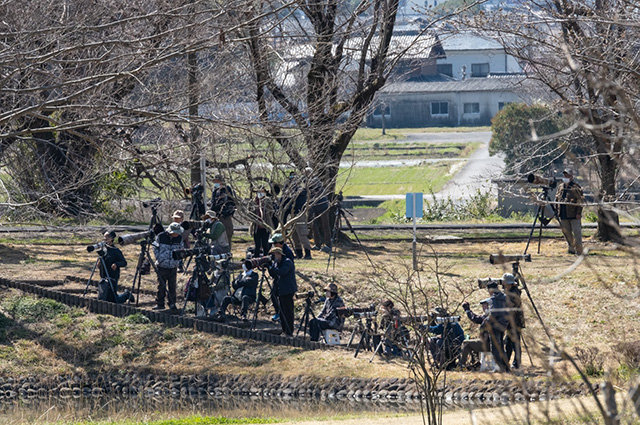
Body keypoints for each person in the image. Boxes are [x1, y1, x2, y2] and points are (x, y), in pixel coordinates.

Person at [463, 281, 510, 372]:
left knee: (495, 349)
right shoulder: (504, 297)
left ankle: (499, 368)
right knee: (501, 348)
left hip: (494, 327)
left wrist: (484, 325)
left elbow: (492, 314)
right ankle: (506, 368)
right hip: (503, 325)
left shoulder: (494, 299)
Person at [262, 232, 294, 322]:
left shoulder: (287, 253)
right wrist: (269, 267)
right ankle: (278, 313)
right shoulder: (276, 255)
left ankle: (285, 321)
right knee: (273, 295)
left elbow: (284, 270)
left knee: (286, 305)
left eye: (274, 243)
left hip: (286, 281)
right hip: (278, 279)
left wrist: (272, 267)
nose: (272, 245)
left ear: (279, 243)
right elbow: (275, 271)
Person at [152, 222, 185, 311]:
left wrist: (177, 261)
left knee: (172, 286)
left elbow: (181, 250)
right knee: (161, 285)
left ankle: (172, 304)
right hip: (162, 265)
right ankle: (160, 303)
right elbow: (155, 247)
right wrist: (159, 258)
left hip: (173, 266)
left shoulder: (179, 238)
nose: (177, 234)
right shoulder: (160, 236)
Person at [281, 171, 312, 260]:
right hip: (292, 214)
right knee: (294, 235)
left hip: (299, 214)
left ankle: (308, 253)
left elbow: (300, 200)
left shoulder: (301, 190)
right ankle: (298, 253)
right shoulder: (288, 191)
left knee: (302, 234)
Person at [97, 230, 134, 304]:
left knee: (113, 300)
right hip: (104, 276)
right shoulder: (103, 249)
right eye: (104, 237)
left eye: (107, 237)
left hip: (113, 276)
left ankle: (126, 294)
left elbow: (124, 262)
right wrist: (99, 263)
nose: (105, 239)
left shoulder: (116, 251)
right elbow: (102, 261)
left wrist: (116, 264)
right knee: (104, 297)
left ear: (112, 238)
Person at [268, 246, 297, 336]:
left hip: (288, 289)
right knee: (281, 311)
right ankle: (284, 330)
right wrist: (269, 267)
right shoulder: (276, 263)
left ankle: (289, 331)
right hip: (281, 290)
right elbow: (274, 275)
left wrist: (271, 267)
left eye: (274, 254)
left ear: (279, 254)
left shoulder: (287, 262)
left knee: (288, 311)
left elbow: (282, 272)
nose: (273, 256)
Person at [555, 168, 584, 255]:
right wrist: (556, 211)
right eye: (564, 175)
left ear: (571, 176)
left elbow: (580, 201)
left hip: (574, 214)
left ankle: (579, 250)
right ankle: (571, 249)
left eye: (567, 175)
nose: (565, 177)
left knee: (577, 232)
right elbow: (556, 199)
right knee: (567, 233)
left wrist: (578, 213)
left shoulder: (576, 187)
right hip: (563, 214)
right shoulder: (560, 187)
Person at [303, 167, 331, 251]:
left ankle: (328, 244)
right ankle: (317, 244)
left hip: (322, 205)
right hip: (314, 206)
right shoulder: (308, 181)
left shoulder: (315, 180)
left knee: (325, 225)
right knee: (314, 225)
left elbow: (310, 190)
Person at [459, 299, 491, 370]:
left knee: (466, 343)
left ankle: (461, 365)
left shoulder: (488, 317)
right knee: (474, 341)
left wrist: (467, 309)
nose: (483, 308)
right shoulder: (497, 316)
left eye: (484, 306)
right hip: (495, 344)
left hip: (489, 344)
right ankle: (475, 362)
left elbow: (475, 318)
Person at [503, 272, 525, 370]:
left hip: (515, 322)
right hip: (511, 322)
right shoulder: (509, 291)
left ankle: (516, 363)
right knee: (508, 342)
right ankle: (506, 361)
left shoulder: (514, 292)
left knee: (514, 343)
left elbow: (511, 305)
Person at [209, 174, 236, 248]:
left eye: (217, 181)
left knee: (227, 234)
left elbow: (232, 202)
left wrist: (229, 213)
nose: (216, 183)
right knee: (217, 235)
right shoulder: (215, 191)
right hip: (217, 217)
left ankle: (227, 252)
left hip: (225, 216)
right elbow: (213, 204)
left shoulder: (227, 190)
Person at [251, 186, 275, 257]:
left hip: (265, 226)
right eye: (258, 192)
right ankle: (256, 259)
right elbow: (249, 212)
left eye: (262, 191)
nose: (260, 193)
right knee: (257, 245)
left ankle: (266, 258)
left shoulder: (268, 200)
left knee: (265, 244)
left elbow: (271, 212)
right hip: (256, 226)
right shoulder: (253, 201)